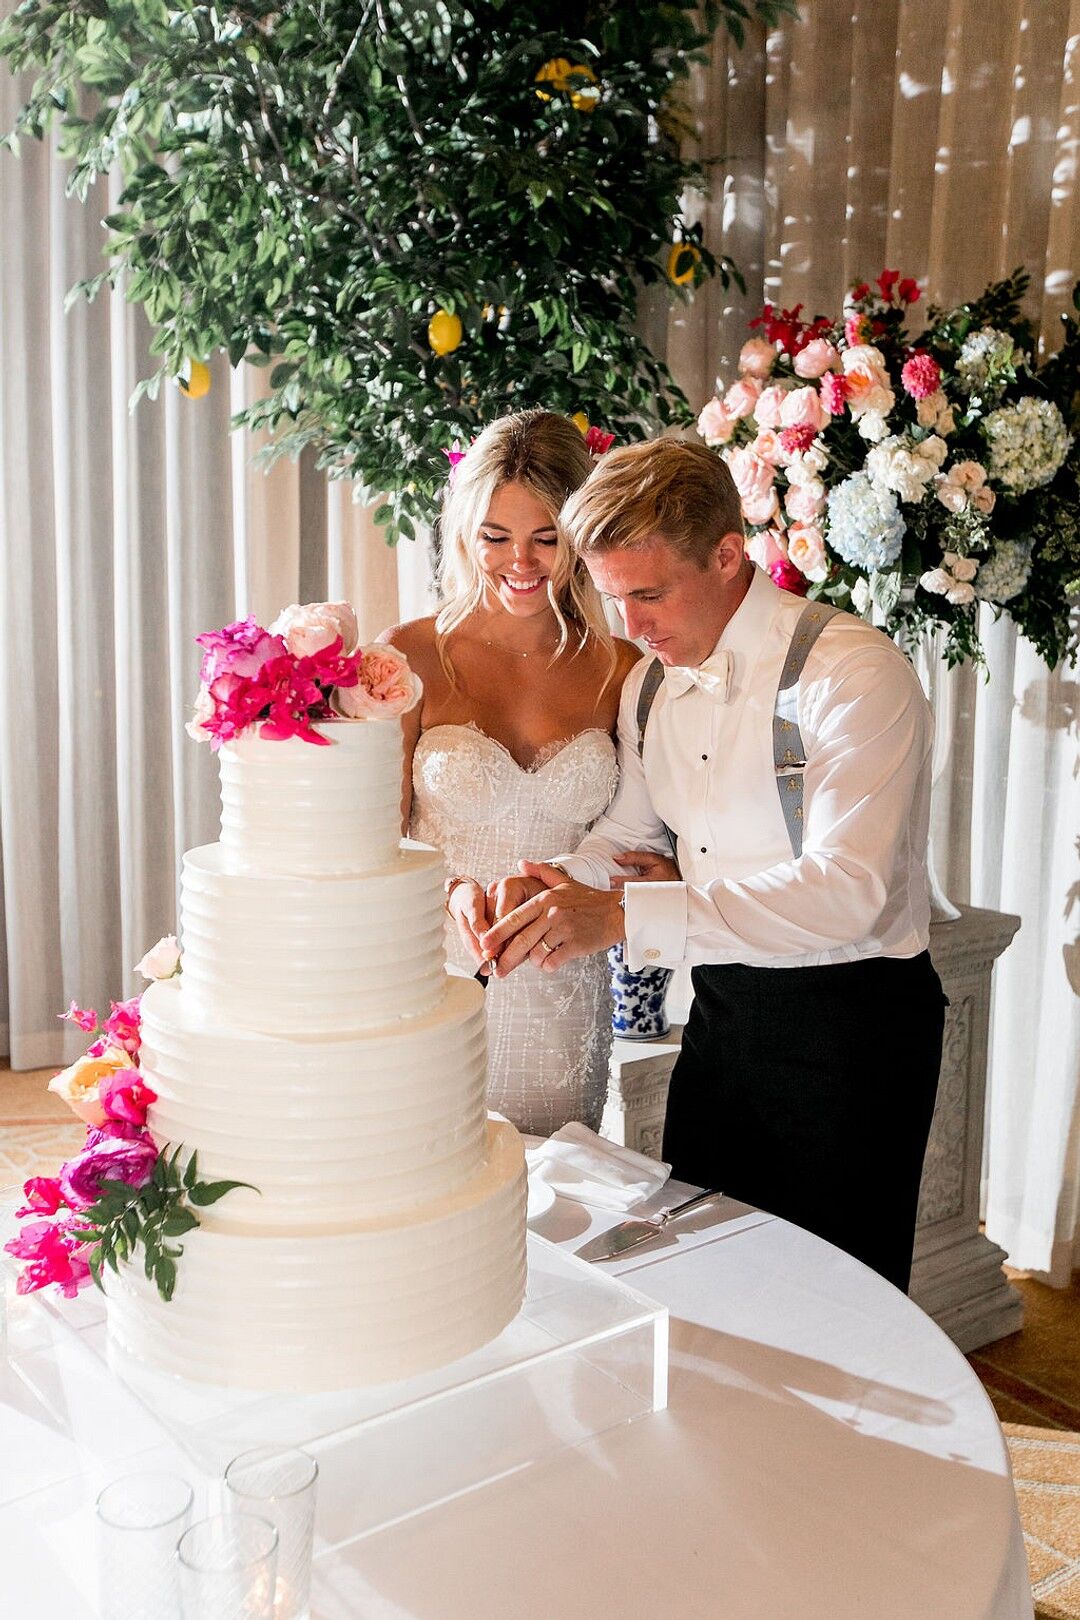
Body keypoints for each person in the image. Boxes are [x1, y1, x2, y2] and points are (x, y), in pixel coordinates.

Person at [473, 439, 946, 1292]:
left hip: (853, 1031)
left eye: (649, 595)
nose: (632, 629)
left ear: (729, 555)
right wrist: (547, 884)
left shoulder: (853, 674)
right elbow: (626, 839)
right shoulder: (650, 684)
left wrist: (627, 918)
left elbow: (851, 894)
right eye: (615, 599)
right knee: (711, 1291)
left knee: (840, 1307)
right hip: (722, 1020)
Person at [379, 410, 649, 1136]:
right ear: (466, 533)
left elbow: (645, 839)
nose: (521, 563)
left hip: (563, 995)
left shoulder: (624, 670)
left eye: (546, 538)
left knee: (555, 1211)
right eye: (496, 537)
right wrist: (450, 888)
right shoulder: (408, 656)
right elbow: (367, 843)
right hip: (431, 975)